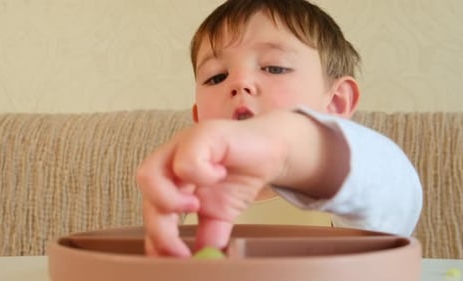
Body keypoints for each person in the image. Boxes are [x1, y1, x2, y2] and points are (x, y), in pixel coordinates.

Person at [136, 0, 423, 258]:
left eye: (274, 68)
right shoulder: (196, 194)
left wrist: (295, 146)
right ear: (199, 120)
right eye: (217, 77)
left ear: (336, 103)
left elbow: (394, 189)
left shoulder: (344, 197)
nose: (240, 83)